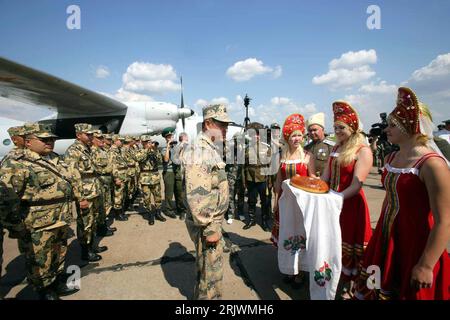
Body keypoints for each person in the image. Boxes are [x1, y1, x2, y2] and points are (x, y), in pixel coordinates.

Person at [353, 87, 450, 300]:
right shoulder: (391, 159)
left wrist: (426, 264)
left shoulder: (432, 164)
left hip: (416, 242)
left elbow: (445, 221)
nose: (386, 130)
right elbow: (390, 199)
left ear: (409, 126)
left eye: (392, 125)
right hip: (387, 236)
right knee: (377, 285)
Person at [0, 123, 78, 299]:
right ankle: (44, 291)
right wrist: (15, 227)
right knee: (40, 260)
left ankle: (55, 282)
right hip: (37, 222)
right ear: (28, 142)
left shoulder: (53, 158)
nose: (49, 142)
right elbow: (6, 200)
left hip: (59, 217)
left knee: (59, 253)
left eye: (51, 139)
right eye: (43, 139)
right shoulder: (16, 162)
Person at [321, 101, 373, 299]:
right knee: (334, 243)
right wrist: (313, 187)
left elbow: (356, 185)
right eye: (335, 128)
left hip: (351, 205)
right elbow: (325, 177)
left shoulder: (362, 151)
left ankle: (349, 287)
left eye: (341, 127)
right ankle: (336, 280)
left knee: (350, 244)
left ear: (352, 128)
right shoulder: (335, 147)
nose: (337, 131)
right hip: (333, 203)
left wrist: (337, 198)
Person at [182, 104, 231, 300]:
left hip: (213, 222)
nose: (225, 129)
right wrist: (210, 229)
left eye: (226, 125)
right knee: (210, 277)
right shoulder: (200, 151)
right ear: (208, 123)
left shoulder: (210, 148)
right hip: (208, 225)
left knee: (209, 273)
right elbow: (197, 195)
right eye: (221, 125)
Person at [270, 114, 316, 287]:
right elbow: (278, 181)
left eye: (299, 135)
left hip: (302, 203)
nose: (297, 138)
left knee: (302, 234)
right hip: (286, 202)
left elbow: (312, 178)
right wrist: (276, 201)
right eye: (293, 135)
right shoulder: (280, 156)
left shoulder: (307, 155)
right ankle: (290, 269)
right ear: (287, 138)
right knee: (287, 234)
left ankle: (301, 271)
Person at [65, 123, 105, 262]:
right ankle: (85, 251)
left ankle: (92, 246)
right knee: (85, 223)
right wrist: (80, 197)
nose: (91, 137)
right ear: (78, 135)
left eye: (91, 134)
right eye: (87, 134)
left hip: (94, 190)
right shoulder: (73, 151)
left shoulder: (88, 149)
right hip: (85, 194)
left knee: (93, 221)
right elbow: (72, 176)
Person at [242, 122, 272, 231]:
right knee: (251, 200)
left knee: (264, 201)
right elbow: (244, 167)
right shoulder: (246, 149)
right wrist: (244, 181)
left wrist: (270, 182)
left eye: (258, 134)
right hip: (250, 178)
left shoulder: (267, 148)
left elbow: (270, 166)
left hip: (263, 179)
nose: (256, 136)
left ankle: (264, 221)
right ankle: (251, 220)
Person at [91, 130, 115, 237]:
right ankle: (101, 229)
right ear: (93, 139)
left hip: (106, 182)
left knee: (106, 205)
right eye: (99, 138)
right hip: (99, 183)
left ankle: (103, 226)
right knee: (100, 207)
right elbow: (94, 169)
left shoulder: (102, 151)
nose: (102, 140)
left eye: (102, 138)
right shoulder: (92, 151)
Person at [139, 135, 164, 225]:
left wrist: (154, 150)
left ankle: (158, 213)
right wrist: (147, 150)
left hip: (155, 176)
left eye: (149, 142)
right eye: (146, 142)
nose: (149, 143)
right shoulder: (140, 151)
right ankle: (150, 215)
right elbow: (139, 158)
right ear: (142, 143)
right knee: (146, 198)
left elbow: (160, 160)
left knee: (158, 197)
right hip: (145, 177)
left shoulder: (155, 151)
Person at [161, 128, 178, 219]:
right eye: (168, 137)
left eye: (171, 136)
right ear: (165, 138)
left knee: (178, 191)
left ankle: (180, 208)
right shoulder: (164, 149)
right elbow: (166, 159)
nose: (170, 138)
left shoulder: (176, 146)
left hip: (177, 171)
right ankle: (168, 210)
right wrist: (168, 146)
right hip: (169, 171)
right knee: (169, 192)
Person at [172, 132, 189, 220]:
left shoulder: (190, 147)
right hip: (180, 174)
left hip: (189, 173)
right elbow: (174, 159)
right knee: (180, 193)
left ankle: (189, 211)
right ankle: (182, 211)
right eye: (186, 138)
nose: (187, 140)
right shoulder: (177, 147)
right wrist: (180, 146)